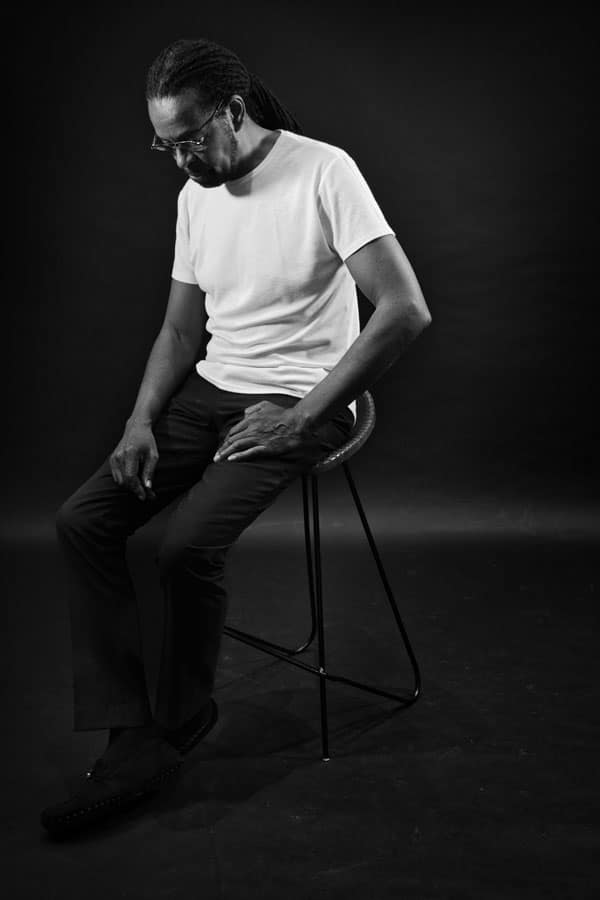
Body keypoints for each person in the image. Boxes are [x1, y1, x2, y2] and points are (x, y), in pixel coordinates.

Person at [40, 37, 432, 836]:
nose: (182, 160)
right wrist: (139, 420)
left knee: (185, 548)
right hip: (211, 394)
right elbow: (181, 331)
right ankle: (130, 730)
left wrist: (305, 413)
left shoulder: (324, 171)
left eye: (190, 139)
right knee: (83, 520)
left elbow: (405, 309)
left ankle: (180, 721)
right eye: (166, 145)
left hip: (302, 398)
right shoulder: (197, 196)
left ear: (232, 112)